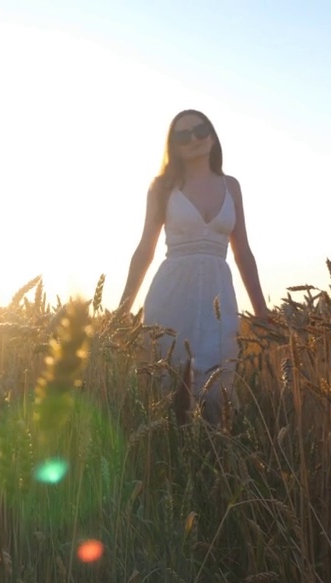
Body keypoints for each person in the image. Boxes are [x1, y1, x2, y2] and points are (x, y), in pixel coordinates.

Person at [116, 109, 268, 421]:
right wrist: (122, 310)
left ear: (212, 135)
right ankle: (166, 461)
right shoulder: (161, 187)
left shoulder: (232, 186)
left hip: (218, 296)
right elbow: (145, 249)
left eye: (200, 130)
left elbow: (244, 254)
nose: (194, 139)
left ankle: (211, 463)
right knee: (166, 384)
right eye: (183, 135)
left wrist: (262, 312)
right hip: (170, 296)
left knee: (218, 385)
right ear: (173, 145)